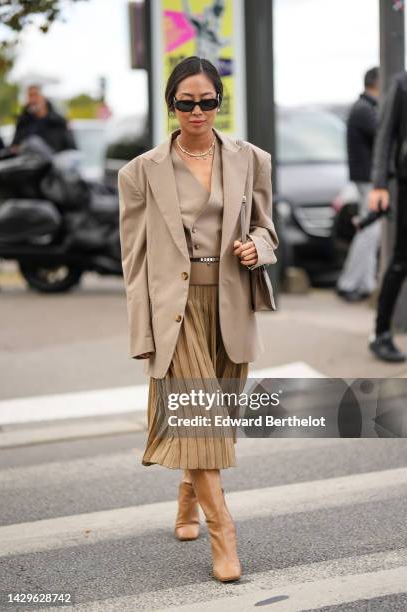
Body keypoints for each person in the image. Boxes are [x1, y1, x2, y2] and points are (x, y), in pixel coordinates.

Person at [118, 56, 278, 582]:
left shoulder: (251, 159)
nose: (197, 110)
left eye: (207, 101)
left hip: (229, 305)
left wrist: (257, 247)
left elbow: (266, 227)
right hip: (175, 312)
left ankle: (188, 499)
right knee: (200, 419)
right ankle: (223, 536)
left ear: (219, 102)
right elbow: (134, 259)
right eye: (185, 102)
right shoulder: (140, 172)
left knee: (214, 422)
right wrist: (142, 330)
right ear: (171, 104)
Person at [368, 70, 407, 363]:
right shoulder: (402, 84)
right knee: (400, 260)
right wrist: (379, 184)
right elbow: (385, 136)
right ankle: (381, 333)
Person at [336, 67, 381, 302]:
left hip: (367, 179)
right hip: (368, 179)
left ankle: (366, 283)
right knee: (369, 230)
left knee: (371, 232)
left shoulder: (363, 107)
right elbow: (384, 134)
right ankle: (350, 283)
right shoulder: (365, 110)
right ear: (377, 83)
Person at [11, 84, 76, 153]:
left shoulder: (58, 121)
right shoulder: (23, 122)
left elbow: (71, 148)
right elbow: (14, 146)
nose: (33, 100)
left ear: (44, 97)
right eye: (30, 96)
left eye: (35, 95)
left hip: (56, 161)